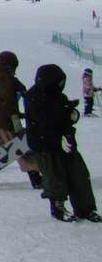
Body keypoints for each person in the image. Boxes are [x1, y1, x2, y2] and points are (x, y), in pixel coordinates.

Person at [24, 64, 101, 222]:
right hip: (46, 145)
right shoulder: (35, 97)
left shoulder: (57, 95)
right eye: (59, 82)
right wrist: (63, 121)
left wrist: (72, 114)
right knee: (55, 177)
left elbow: (62, 114)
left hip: (66, 143)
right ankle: (58, 207)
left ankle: (85, 209)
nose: (61, 85)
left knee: (79, 175)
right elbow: (45, 121)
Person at [0, 51, 40, 187]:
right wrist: (14, 115)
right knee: (19, 147)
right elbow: (8, 100)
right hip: (5, 121)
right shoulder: (5, 78)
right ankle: (35, 177)